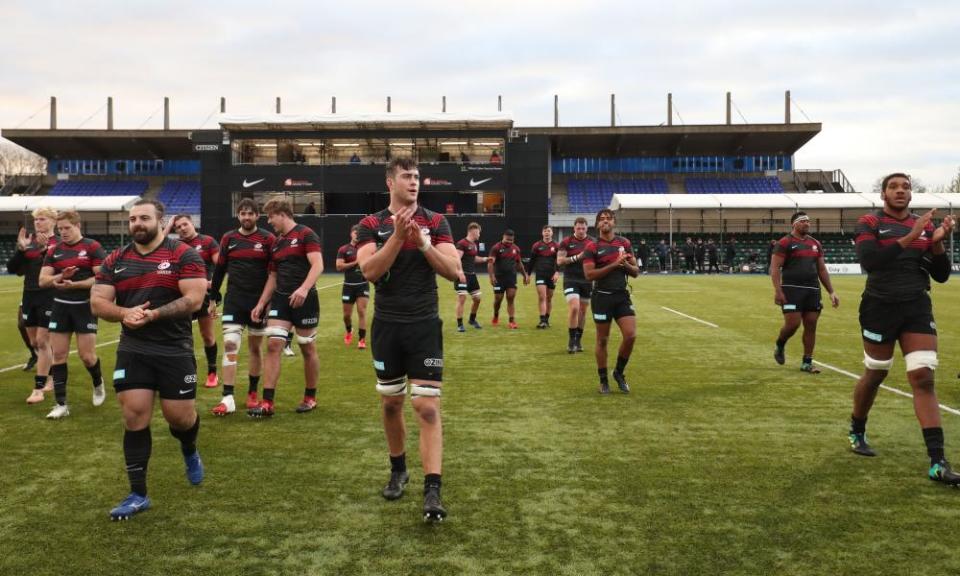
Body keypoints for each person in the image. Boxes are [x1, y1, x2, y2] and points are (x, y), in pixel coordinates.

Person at [355, 157, 460, 522]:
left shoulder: (436, 221)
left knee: (427, 406)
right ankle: (398, 469)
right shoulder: (371, 225)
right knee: (391, 403)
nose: (414, 182)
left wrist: (425, 244)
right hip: (387, 326)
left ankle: (433, 490)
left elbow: (456, 271)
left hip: (424, 325)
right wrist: (399, 238)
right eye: (406, 177)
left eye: (417, 177)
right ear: (390, 182)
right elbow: (369, 270)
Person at [91, 199, 207, 520]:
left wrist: (153, 314)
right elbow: (99, 303)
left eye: (144, 217)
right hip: (134, 349)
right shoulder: (116, 258)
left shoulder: (183, 254)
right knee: (134, 417)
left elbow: (194, 299)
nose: (137, 224)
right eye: (132, 219)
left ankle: (189, 449)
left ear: (160, 220)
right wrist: (125, 312)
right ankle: (138, 494)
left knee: (180, 419)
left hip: (174, 349)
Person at [848, 173, 960, 485]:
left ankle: (938, 461)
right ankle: (857, 429)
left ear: (911, 194)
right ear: (883, 193)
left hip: (915, 306)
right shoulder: (869, 221)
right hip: (878, 307)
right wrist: (914, 234)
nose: (900, 191)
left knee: (923, 377)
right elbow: (871, 262)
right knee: (877, 372)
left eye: (906, 187)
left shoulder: (923, 228)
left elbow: (940, 276)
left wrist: (936, 243)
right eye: (894, 186)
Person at [248, 199, 323, 416]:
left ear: (281, 213)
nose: (269, 221)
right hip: (281, 299)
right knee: (273, 345)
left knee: (307, 347)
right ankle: (267, 402)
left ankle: (310, 397)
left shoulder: (305, 234)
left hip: (305, 299)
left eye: (271, 216)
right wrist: (261, 303)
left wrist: (303, 289)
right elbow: (273, 276)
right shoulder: (277, 243)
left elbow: (318, 264)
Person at [209, 199, 276, 415]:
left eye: (250, 213)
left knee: (255, 348)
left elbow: (274, 274)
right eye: (242, 213)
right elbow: (219, 270)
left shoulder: (268, 239)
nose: (246, 217)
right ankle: (227, 398)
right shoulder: (229, 238)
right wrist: (213, 298)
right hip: (234, 302)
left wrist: (267, 303)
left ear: (258, 216)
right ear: (238, 215)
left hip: (258, 304)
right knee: (230, 345)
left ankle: (253, 392)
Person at [38, 210, 107, 419]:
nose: (64, 232)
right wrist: (61, 275)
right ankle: (61, 404)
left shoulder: (92, 247)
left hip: (84, 306)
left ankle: (97, 383)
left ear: (78, 226)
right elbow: (42, 280)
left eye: (67, 228)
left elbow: (101, 277)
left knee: (87, 356)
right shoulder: (55, 250)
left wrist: (75, 284)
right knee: (58, 356)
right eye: (60, 229)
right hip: (60, 307)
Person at [771, 212, 839, 373]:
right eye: (803, 221)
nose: (807, 224)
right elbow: (774, 268)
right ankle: (780, 344)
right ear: (794, 224)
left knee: (811, 325)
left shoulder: (815, 243)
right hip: (791, 289)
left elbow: (821, 269)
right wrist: (778, 290)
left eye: (808, 221)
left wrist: (831, 291)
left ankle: (807, 362)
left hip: (812, 290)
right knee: (793, 324)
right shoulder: (784, 242)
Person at [583, 209, 639, 394]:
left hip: (621, 296)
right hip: (601, 297)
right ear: (597, 224)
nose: (605, 221)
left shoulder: (624, 243)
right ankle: (603, 380)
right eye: (602, 219)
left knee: (630, 335)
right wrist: (615, 264)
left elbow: (636, 272)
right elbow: (589, 275)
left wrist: (625, 264)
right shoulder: (592, 246)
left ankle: (619, 373)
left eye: (609, 218)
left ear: (614, 222)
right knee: (603, 340)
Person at [8, 207, 57, 404]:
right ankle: (53, 375)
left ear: (53, 221)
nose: (38, 223)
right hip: (29, 296)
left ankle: (40, 388)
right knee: (36, 343)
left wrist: (46, 251)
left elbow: (60, 268)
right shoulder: (30, 243)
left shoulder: (59, 243)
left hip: (50, 296)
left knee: (43, 341)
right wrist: (21, 250)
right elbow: (14, 269)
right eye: (36, 220)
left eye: (42, 219)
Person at [169, 215, 220, 389]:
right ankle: (189, 373)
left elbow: (220, 265)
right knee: (184, 337)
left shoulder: (208, 241)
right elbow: (158, 243)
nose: (182, 228)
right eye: (178, 227)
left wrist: (213, 283)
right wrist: (168, 227)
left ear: (192, 224)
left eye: (185, 224)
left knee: (207, 336)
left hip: (204, 297)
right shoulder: (175, 246)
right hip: (182, 298)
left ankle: (212, 372)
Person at [558, 217, 594, 352]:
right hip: (571, 279)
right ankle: (571, 341)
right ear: (574, 228)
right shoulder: (566, 242)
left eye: (583, 228)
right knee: (574, 308)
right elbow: (560, 261)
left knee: (583, 311)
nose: (580, 230)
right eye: (578, 228)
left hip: (587, 280)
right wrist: (577, 257)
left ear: (587, 228)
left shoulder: (592, 242)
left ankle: (578, 340)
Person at [337, 225, 370, 349]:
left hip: (362, 285)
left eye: (359, 233)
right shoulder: (344, 249)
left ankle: (361, 340)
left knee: (361, 311)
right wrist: (355, 263)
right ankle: (349, 330)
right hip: (348, 286)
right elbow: (339, 266)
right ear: (351, 234)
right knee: (346, 315)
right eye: (355, 233)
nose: (357, 235)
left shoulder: (366, 248)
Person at [488, 229, 529, 329]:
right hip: (498, 278)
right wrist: (492, 276)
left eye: (511, 240)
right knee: (498, 299)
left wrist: (525, 275)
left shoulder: (516, 249)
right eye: (507, 240)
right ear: (503, 237)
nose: (509, 242)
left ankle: (511, 321)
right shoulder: (496, 248)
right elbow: (490, 263)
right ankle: (496, 315)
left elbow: (519, 263)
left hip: (511, 277)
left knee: (511, 297)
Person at [454, 222, 487, 332]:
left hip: (472, 276)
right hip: (463, 275)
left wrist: (485, 259)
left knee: (477, 299)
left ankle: (472, 320)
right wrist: (460, 273)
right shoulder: (462, 243)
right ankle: (459, 324)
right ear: (473, 230)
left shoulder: (474, 245)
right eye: (479, 232)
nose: (479, 235)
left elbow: (473, 259)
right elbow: (456, 259)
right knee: (462, 298)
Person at [528, 225, 560, 328]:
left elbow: (559, 261)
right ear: (542, 233)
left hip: (551, 275)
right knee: (542, 296)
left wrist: (557, 272)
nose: (547, 233)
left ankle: (546, 319)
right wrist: (528, 274)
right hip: (540, 274)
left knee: (549, 298)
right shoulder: (536, 246)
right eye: (545, 231)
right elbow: (532, 261)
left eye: (549, 231)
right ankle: (542, 320)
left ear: (552, 233)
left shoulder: (556, 246)